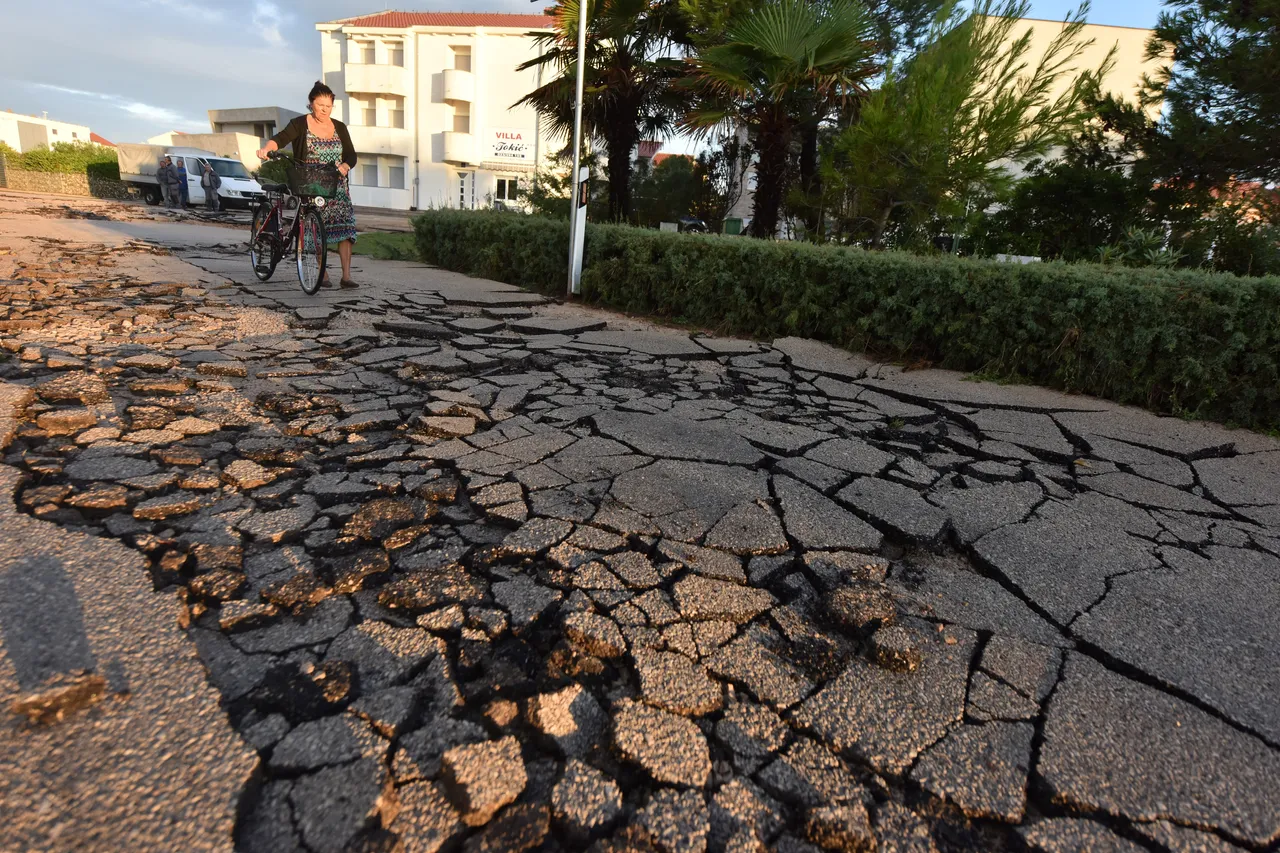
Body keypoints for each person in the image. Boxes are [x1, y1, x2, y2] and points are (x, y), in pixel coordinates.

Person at [257, 81, 358, 288]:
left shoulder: (339, 127)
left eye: (328, 106)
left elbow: (351, 155)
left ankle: (346, 276)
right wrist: (266, 149)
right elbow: (280, 138)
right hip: (309, 185)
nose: (324, 109)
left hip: (336, 186)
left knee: (346, 229)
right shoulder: (299, 124)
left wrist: (346, 165)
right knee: (314, 229)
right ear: (311, 103)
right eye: (320, 105)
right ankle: (323, 274)